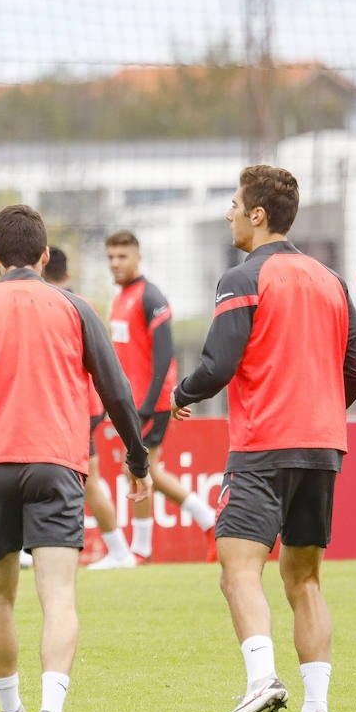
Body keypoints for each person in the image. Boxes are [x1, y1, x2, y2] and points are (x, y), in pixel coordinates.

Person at [0, 205, 152, 712]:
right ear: (46, 256)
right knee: (59, 596)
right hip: (58, 464)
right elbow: (116, 390)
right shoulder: (76, 307)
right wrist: (138, 459)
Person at [172, 165, 356, 712]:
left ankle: (262, 681)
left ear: (258, 214)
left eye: (234, 203)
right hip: (323, 446)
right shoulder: (330, 279)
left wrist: (180, 396)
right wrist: (322, 406)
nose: (227, 213)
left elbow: (218, 365)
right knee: (304, 579)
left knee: (238, 569)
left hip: (263, 447)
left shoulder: (242, 277)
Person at [105, 230, 218, 562]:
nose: (116, 263)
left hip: (150, 403)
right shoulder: (120, 299)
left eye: (122, 256)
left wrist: (145, 407)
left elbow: (164, 355)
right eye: (111, 257)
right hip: (133, 403)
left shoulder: (150, 297)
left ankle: (141, 549)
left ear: (138, 257)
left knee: (136, 469)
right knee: (146, 469)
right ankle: (209, 521)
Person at [42, 248, 135, 570]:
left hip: (70, 406)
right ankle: (118, 550)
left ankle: (119, 551)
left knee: (81, 478)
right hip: (86, 404)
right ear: (66, 275)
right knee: (83, 478)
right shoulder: (84, 305)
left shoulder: (44, 308)